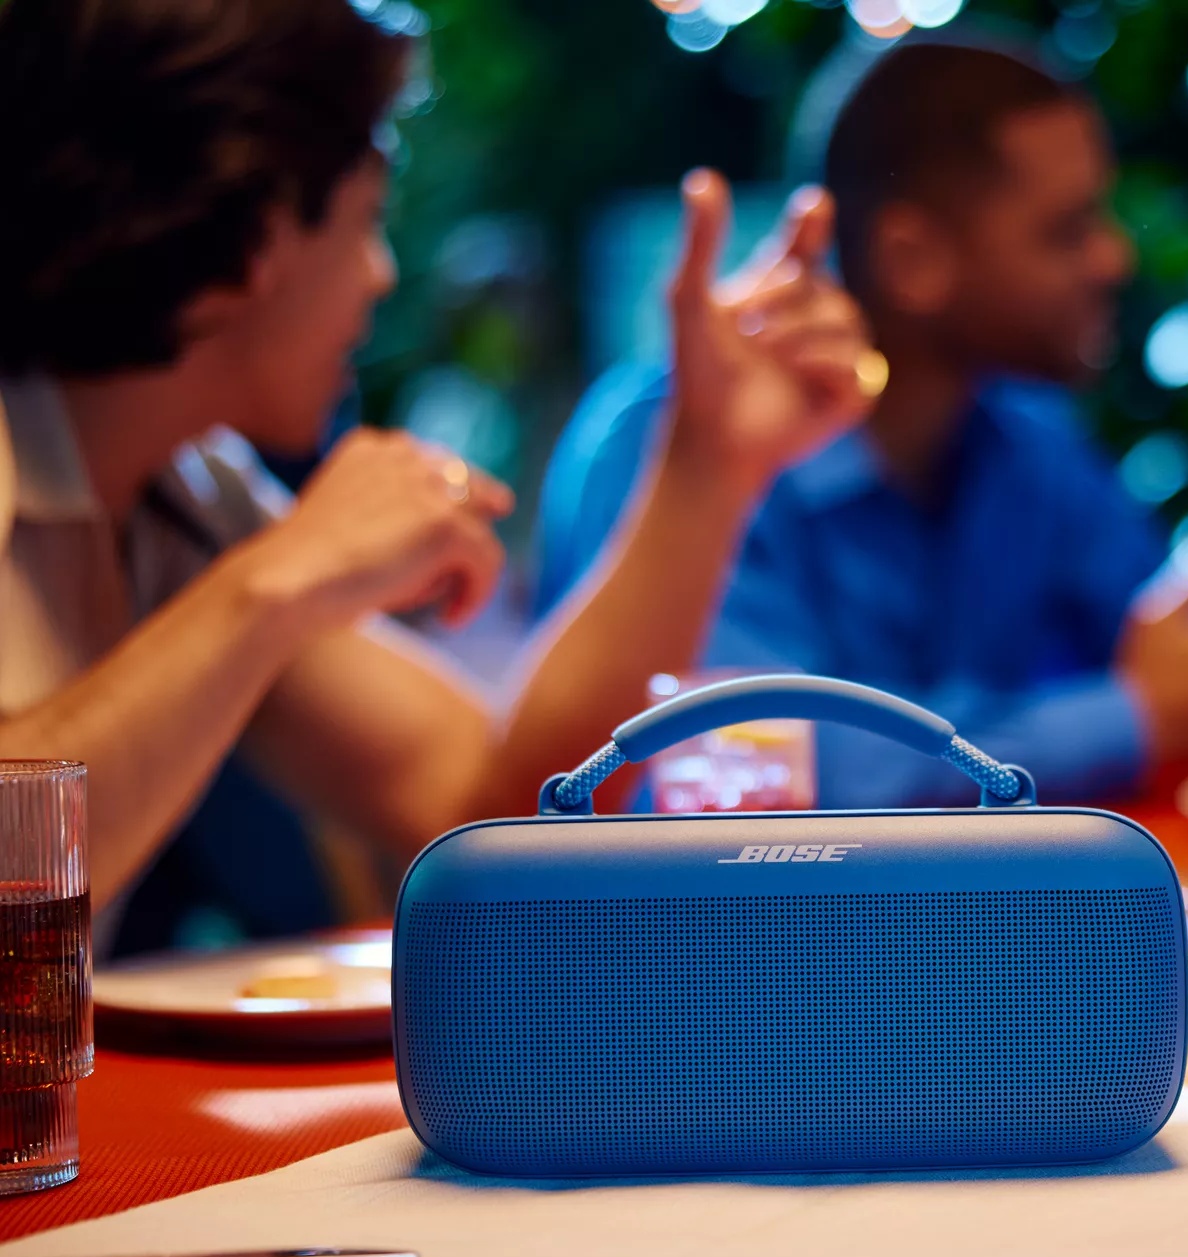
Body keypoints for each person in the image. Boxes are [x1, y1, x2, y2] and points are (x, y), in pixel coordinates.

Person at [0, 0, 878, 945]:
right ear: (254, 240)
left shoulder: (186, 493)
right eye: (369, 217)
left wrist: (710, 463)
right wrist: (274, 580)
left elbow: (489, 798)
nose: (381, 274)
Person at [536, 37, 1188, 810]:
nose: (1114, 258)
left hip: (971, 934)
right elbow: (759, 779)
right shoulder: (685, 445)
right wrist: (1140, 718)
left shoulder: (1025, 442)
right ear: (912, 259)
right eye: (1068, 229)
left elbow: (1162, 649)